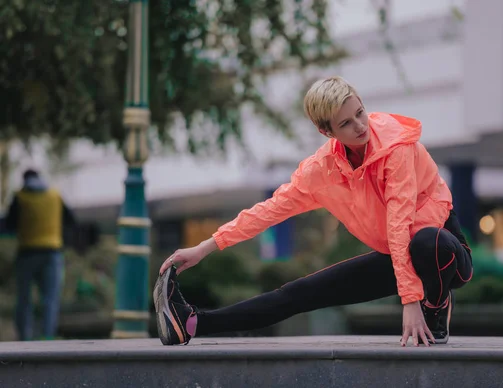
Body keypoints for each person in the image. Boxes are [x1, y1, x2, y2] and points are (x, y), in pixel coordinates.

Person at [153, 76, 473, 347]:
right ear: (328, 132)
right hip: (399, 255)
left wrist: (412, 301)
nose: (360, 126)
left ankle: (437, 301)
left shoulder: (397, 148)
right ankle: (192, 324)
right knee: (300, 293)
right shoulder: (322, 170)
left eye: (360, 113)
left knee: (427, 241)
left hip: (445, 254)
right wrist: (205, 247)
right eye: (346, 123)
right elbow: (269, 211)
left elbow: (400, 220)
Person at [5, 168, 76, 341]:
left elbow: (9, 224)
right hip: (52, 252)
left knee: (24, 298)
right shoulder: (55, 195)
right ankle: (48, 337)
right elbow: (71, 220)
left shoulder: (20, 196)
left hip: (27, 252)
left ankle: (24, 337)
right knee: (50, 299)